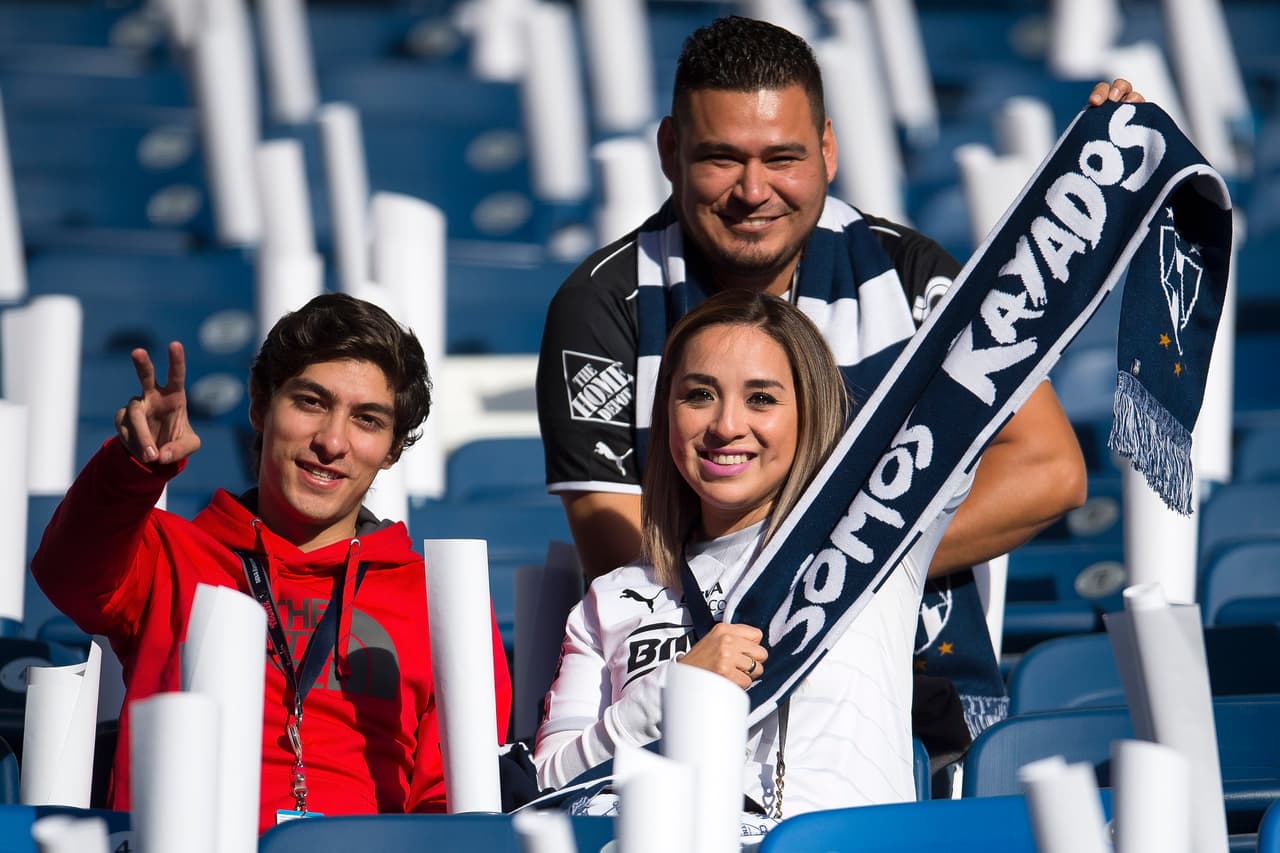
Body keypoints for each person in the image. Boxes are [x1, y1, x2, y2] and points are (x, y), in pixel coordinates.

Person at [536, 15, 1142, 734]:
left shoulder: (909, 273)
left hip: (916, 692)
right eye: (722, 158)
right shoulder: (602, 302)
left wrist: (845, 581)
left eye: (782, 157)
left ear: (827, 148)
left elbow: (1048, 469)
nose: (753, 190)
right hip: (690, 703)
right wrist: (814, 582)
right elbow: (617, 542)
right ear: (671, 150)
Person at [31, 293, 513, 830]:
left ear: (393, 449)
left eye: (367, 420)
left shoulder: (440, 602)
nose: (332, 441)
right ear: (260, 406)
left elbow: (449, 806)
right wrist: (130, 470)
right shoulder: (168, 554)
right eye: (310, 402)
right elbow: (65, 573)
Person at [534, 289, 967, 825]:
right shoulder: (611, 598)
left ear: (808, 411)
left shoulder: (878, 537)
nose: (725, 425)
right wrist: (672, 689)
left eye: (761, 398)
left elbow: (975, 388)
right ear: (667, 411)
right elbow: (548, 784)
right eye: (699, 395)